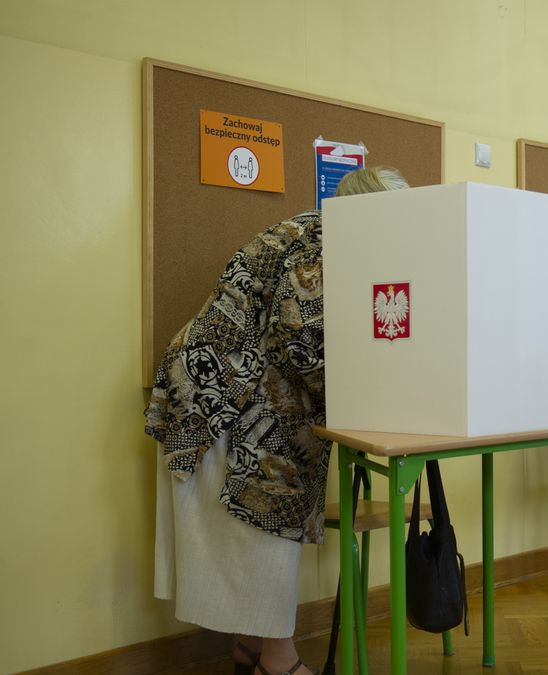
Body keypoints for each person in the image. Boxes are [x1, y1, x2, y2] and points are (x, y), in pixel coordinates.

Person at [145, 167, 410, 675]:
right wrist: (357, 402)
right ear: (372, 210)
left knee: (256, 524)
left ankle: (252, 648)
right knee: (266, 521)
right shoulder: (321, 242)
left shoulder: (321, 230)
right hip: (228, 393)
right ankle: (276, 659)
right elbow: (298, 337)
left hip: (240, 388)